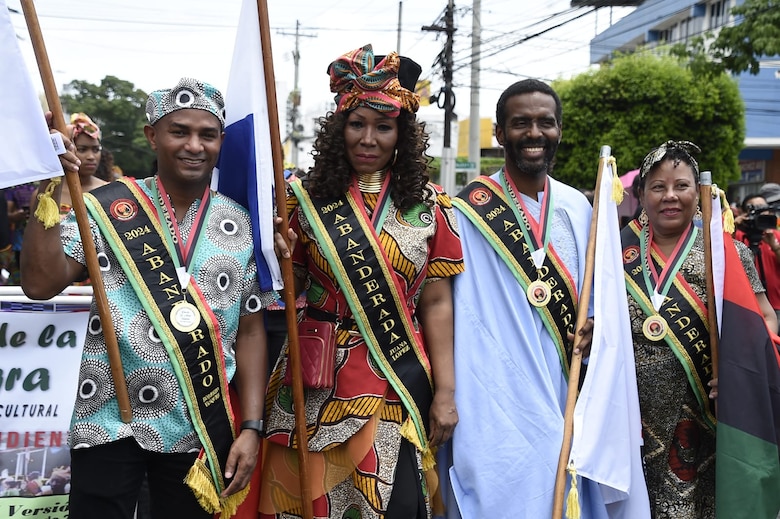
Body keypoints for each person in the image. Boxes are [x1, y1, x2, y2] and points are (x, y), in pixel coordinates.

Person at [20, 77, 277, 519]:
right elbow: (41, 284)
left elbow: (250, 330)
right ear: (152, 135)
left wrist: (252, 427)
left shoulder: (241, 224)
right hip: (109, 417)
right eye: (179, 131)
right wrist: (46, 183)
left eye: (207, 134)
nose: (193, 145)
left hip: (198, 424)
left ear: (220, 142)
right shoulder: (103, 208)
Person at [260, 44, 464, 519]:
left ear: (402, 133)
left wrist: (447, 394)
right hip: (317, 379)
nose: (368, 138)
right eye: (357, 124)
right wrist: (280, 259)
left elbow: (436, 303)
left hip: (398, 378)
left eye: (384, 126)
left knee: (396, 503)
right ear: (339, 128)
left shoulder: (432, 208)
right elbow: (279, 290)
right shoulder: (298, 201)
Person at [441, 79, 605, 518]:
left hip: (561, 388)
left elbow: (597, 302)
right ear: (500, 134)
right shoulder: (466, 212)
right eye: (521, 123)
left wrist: (594, 331)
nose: (534, 133)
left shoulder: (579, 208)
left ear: (559, 130)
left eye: (545, 123)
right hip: (492, 396)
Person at [620, 141, 774, 517]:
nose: (670, 196)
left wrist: (739, 373)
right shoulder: (614, 253)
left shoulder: (726, 254)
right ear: (642, 194)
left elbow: (766, 318)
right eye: (658, 187)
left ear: (699, 191)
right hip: (632, 421)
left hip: (711, 418)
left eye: (681, 186)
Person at [734, 191, 780, 331]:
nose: (761, 213)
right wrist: (734, 228)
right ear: (744, 213)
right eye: (754, 209)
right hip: (748, 308)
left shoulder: (775, 235)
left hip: (776, 305)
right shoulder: (737, 236)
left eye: (763, 208)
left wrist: (774, 246)